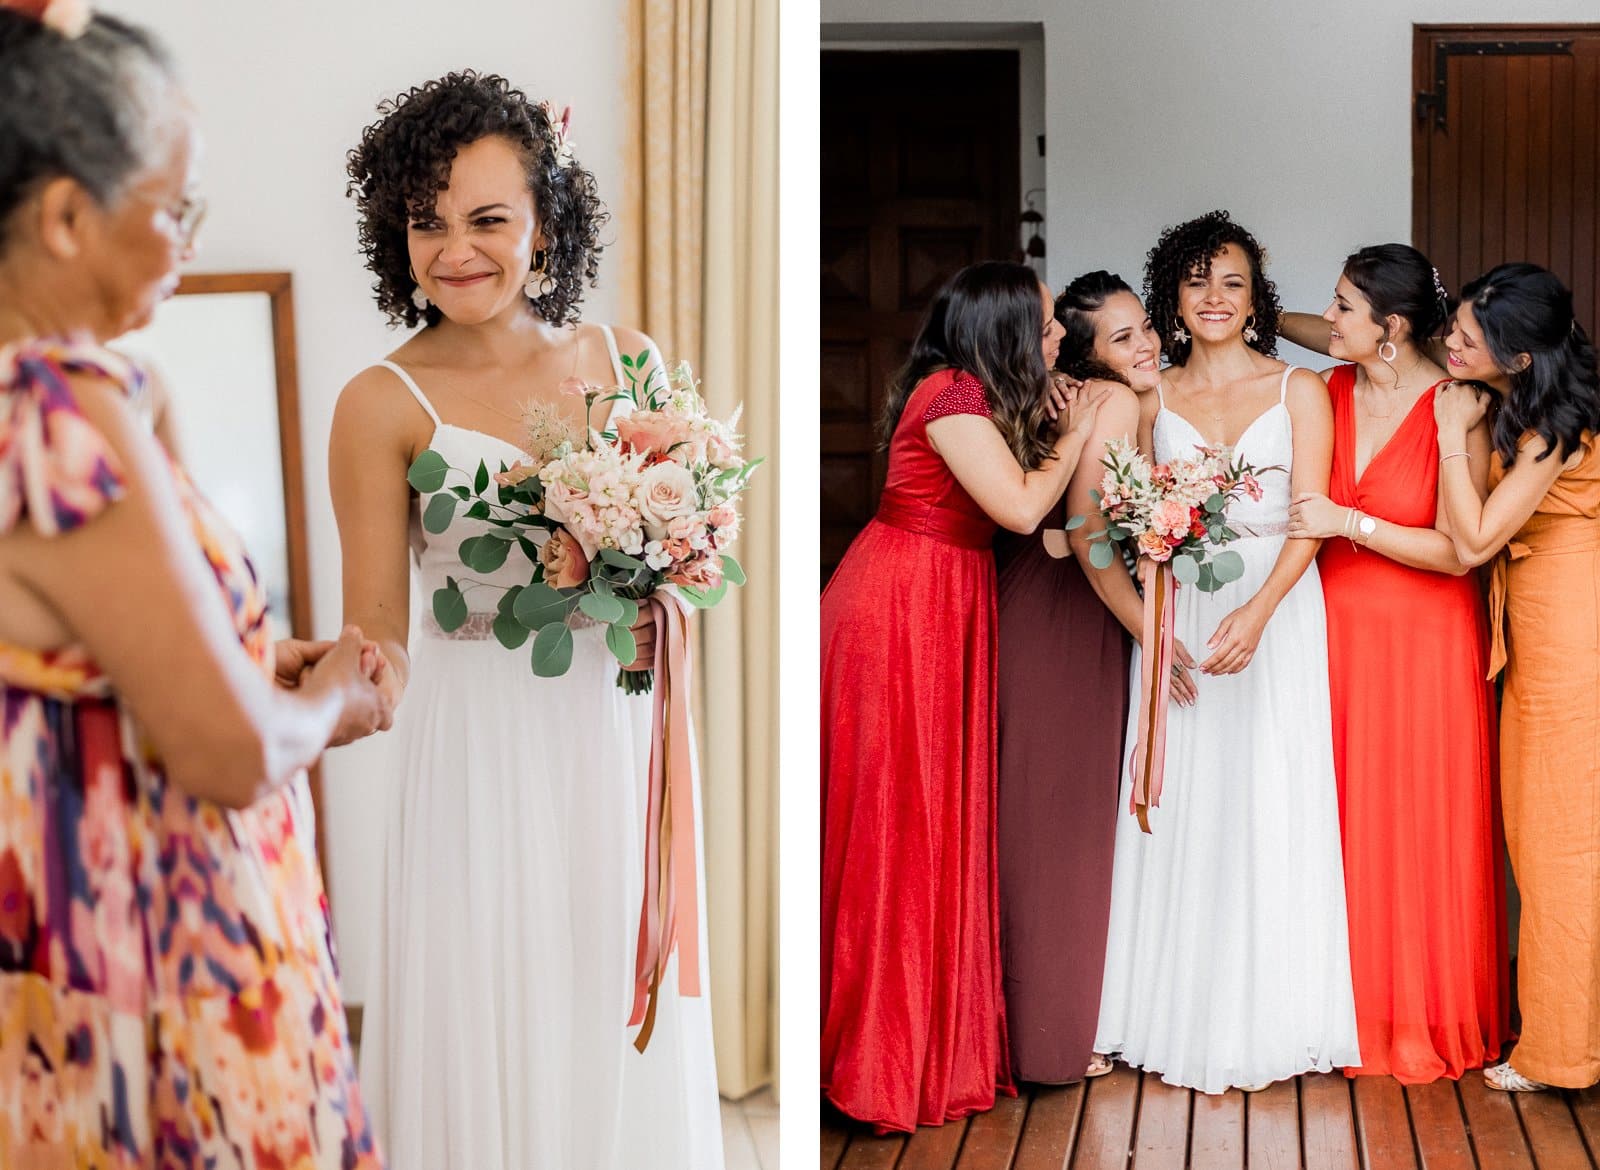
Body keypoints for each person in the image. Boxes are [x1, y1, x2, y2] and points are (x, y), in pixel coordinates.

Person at [0, 6, 389, 1164]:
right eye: (175, 210)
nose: (186, 246)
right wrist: (338, 702)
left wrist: (261, 655)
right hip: (152, 958)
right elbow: (225, 753)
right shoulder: (57, 413)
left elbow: (77, 649)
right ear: (68, 216)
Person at [332, 72, 723, 1169]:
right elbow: (381, 637)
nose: (456, 248)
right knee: (490, 985)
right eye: (427, 221)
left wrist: (661, 589)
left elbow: (683, 566)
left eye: (488, 219)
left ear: (545, 222)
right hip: (474, 753)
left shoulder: (626, 361)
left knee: (601, 981)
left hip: (611, 729)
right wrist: (316, 693)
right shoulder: (378, 402)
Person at [821, 261, 1107, 1132]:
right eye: (1049, 325)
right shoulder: (948, 397)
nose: (1060, 339)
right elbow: (1020, 510)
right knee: (898, 821)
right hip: (902, 606)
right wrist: (1077, 429)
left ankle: (928, 1040)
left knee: (935, 816)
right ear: (1008, 331)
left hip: (945, 599)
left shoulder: (976, 391)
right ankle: (877, 1059)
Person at [1093, 210, 1360, 1093]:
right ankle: (1163, 1007)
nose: (1214, 297)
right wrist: (1152, 627)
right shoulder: (1146, 398)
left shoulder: (1301, 391)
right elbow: (1108, 528)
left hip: (1274, 610)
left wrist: (1262, 614)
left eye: (1233, 281)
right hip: (1176, 614)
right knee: (1185, 802)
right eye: (1198, 280)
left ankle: (1275, 1011)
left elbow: (1311, 518)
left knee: (1270, 795)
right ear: (1173, 293)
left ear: (1256, 299)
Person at [1284, 245, 1507, 1083]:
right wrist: (1255, 309)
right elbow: (1298, 330)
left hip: (1423, 644)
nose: (1327, 319)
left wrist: (1350, 522)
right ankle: (1335, 1010)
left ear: (1393, 326)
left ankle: (1414, 1015)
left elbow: (1460, 550)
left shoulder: (1461, 409)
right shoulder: (1331, 388)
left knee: (1415, 825)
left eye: (1344, 307)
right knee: (1338, 821)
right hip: (1332, 640)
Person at [996, 271, 1176, 1086]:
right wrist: (1154, 636)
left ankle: (1045, 1022)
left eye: (1146, 329)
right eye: (1124, 338)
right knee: (1057, 826)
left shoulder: (1112, 397)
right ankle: (1046, 1042)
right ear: (1088, 354)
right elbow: (1088, 533)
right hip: (1065, 617)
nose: (1148, 346)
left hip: (1076, 614)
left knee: (1054, 820)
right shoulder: (1110, 404)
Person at [1429, 262, 1600, 1093]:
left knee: (1560, 842)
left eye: (1469, 337)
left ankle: (1563, 1053)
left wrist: (1444, 438)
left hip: (1573, 644)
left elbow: (1473, 542)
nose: (1453, 343)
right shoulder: (1539, 402)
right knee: (1550, 833)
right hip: (1547, 633)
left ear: (1520, 358)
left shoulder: (1548, 433)